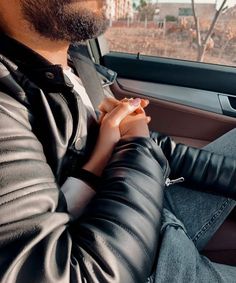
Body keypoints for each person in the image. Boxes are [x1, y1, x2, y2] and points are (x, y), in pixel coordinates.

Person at [0, 1, 235, 283]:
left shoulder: (78, 66)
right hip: (137, 263)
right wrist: (134, 145)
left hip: (153, 211)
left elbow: (149, 144)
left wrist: (132, 142)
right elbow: (73, 275)